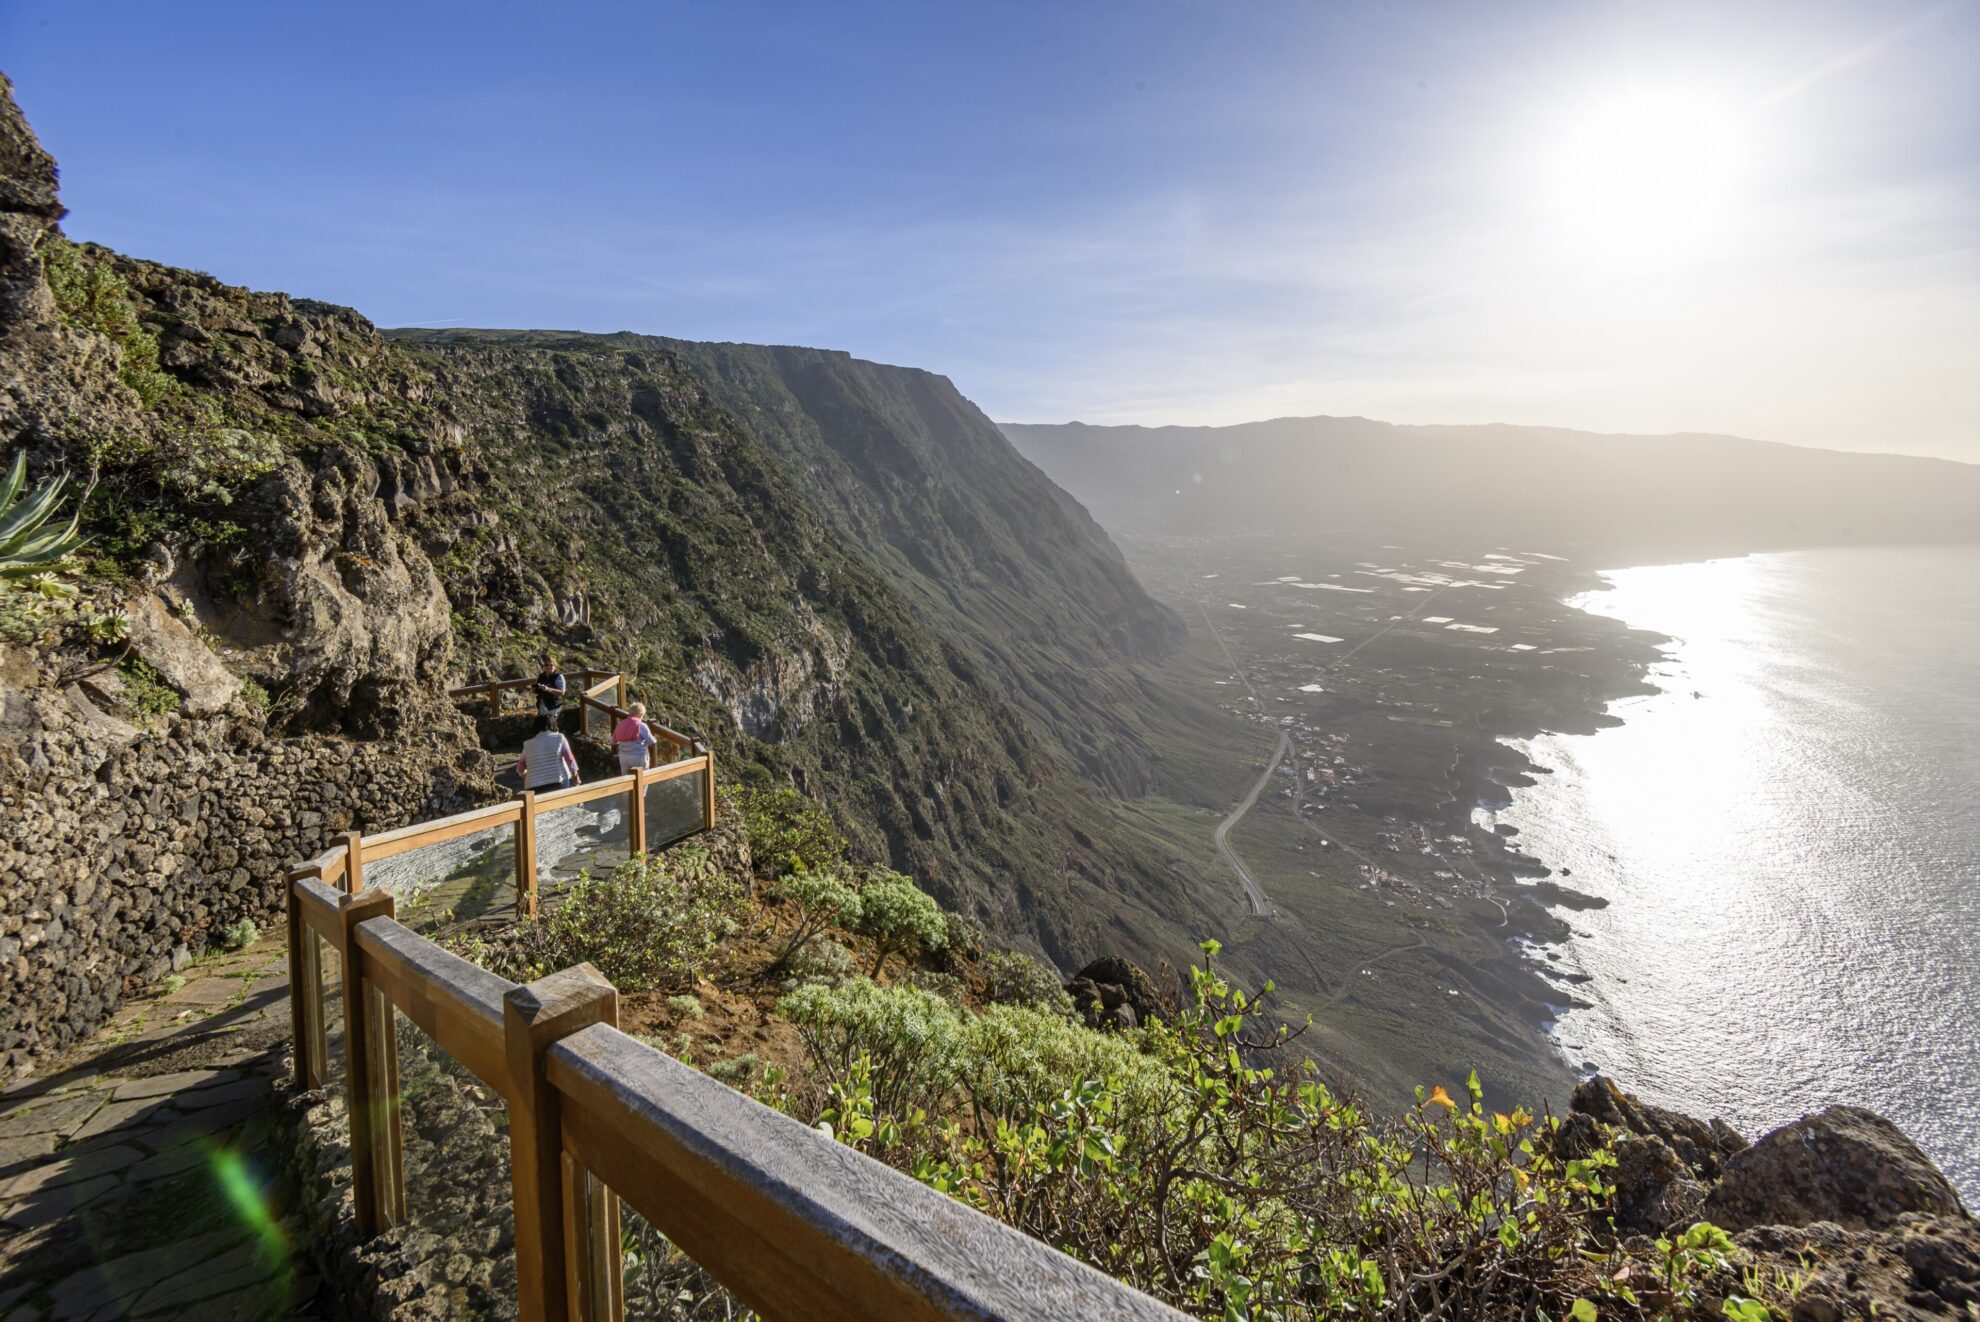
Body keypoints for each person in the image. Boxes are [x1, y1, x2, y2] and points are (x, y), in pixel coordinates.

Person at [517, 715, 581, 791]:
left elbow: (520, 767)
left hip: (534, 787)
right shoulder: (560, 738)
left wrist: (525, 775)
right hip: (558, 782)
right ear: (553, 724)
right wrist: (575, 776)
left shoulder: (527, 744)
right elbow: (570, 759)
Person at [613, 702, 659, 774]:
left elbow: (613, 741)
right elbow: (651, 741)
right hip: (638, 755)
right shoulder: (641, 725)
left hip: (623, 756)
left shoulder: (620, 724)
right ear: (641, 714)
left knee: (626, 779)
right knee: (642, 779)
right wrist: (654, 739)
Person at [534, 654, 566, 720]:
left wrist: (548, 689)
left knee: (551, 725)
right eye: (546, 665)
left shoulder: (559, 677)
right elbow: (536, 690)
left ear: (555, 667)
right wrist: (535, 688)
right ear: (544, 667)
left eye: (551, 665)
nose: (549, 667)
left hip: (554, 705)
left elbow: (562, 692)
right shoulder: (541, 676)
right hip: (542, 705)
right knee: (542, 725)